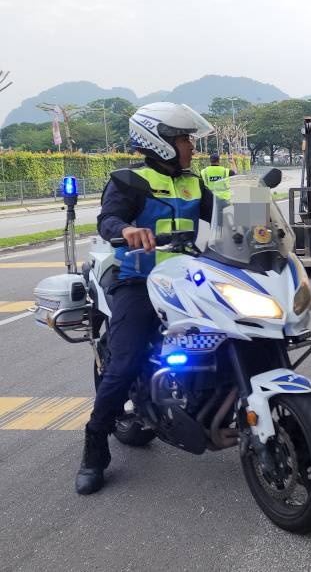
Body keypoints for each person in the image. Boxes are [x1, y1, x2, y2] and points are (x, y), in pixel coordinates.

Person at [75, 102, 215, 495]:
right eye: (185, 139)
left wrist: (260, 220)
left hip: (185, 278)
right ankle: (95, 445)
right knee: (127, 359)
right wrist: (126, 229)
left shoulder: (193, 182)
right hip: (137, 279)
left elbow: (224, 213)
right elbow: (107, 221)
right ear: (161, 141)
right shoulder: (128, 181)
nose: (191, 146)